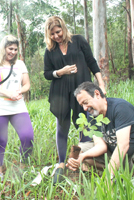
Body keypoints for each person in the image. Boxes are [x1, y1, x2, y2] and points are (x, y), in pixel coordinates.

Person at [43, 16, 107, 183]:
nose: (56, 36)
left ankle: (82, 161)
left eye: (58, 32)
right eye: (52, 34)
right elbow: (47, 74)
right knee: (62, 126)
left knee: (85, 124)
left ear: (63, 28)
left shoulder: (78, 41)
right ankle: (62, 163)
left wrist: (100, 84)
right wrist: (61, 72)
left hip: (82, 91)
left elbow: (92, 62)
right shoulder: (50, 51)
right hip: (60, 93)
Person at [67, 82, 134, 182]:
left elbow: (123, 145)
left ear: (97, 94)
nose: (85, 108)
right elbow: (101, 146)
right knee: (82, 150)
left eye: (85, 102)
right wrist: (83, 156)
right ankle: (120, 175)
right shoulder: (92, 116)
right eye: (82, 105)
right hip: (117, 156)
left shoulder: (120, 108)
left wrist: (107, 176)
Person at [0, 35, 34, 183]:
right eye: (9, 48)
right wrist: (8, 93)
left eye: (15, 49)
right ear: (3, 48)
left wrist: (20, 92)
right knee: (0, 141)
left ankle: (23, 166)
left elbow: (26, 84)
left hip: (17, 106)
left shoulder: (20, 64)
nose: (12, 52)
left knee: (27, 137)